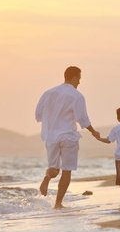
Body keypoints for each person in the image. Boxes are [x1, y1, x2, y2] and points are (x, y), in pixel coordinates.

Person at [35, 66, 100, 209]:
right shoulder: (76, 95)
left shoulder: (49, 93)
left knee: (53, 168)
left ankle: (46, 178)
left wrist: (52, 118)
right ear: (74, 78)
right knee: (66, 170)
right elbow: (82, 119)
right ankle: (58, 203)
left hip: (51, 136)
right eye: (79, 79)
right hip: (68, 136)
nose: (80, 83)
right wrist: (93, 132)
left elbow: (38, 114)